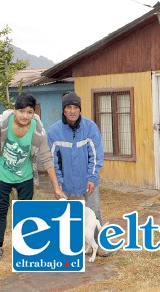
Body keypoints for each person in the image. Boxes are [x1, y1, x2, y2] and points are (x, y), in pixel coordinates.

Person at [0, 93, 66, 261]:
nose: (25, 116)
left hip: (25, 176)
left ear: (34, 113)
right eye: (21, 111)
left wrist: (56, 186)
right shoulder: (0, 124)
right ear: (14, 111)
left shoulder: (38, 131)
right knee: (0, 209)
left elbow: (47, 158)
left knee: (26, 211)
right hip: (1, 173)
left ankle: (24, 246)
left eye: (29, 112)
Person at [47, 92, 105, 235]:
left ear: (80, 109)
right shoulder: (54, 131)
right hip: (64, 182)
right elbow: (52, 160)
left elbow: (96, 154)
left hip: (87, 180)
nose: (72, 111)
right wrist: (58, 182)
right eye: (68, 107)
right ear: (63, 110)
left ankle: (100, 244)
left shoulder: (90, 127)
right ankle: (63, 244)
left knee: (94, 211)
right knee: (61, 212)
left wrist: (92, 178)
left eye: (75, 107)